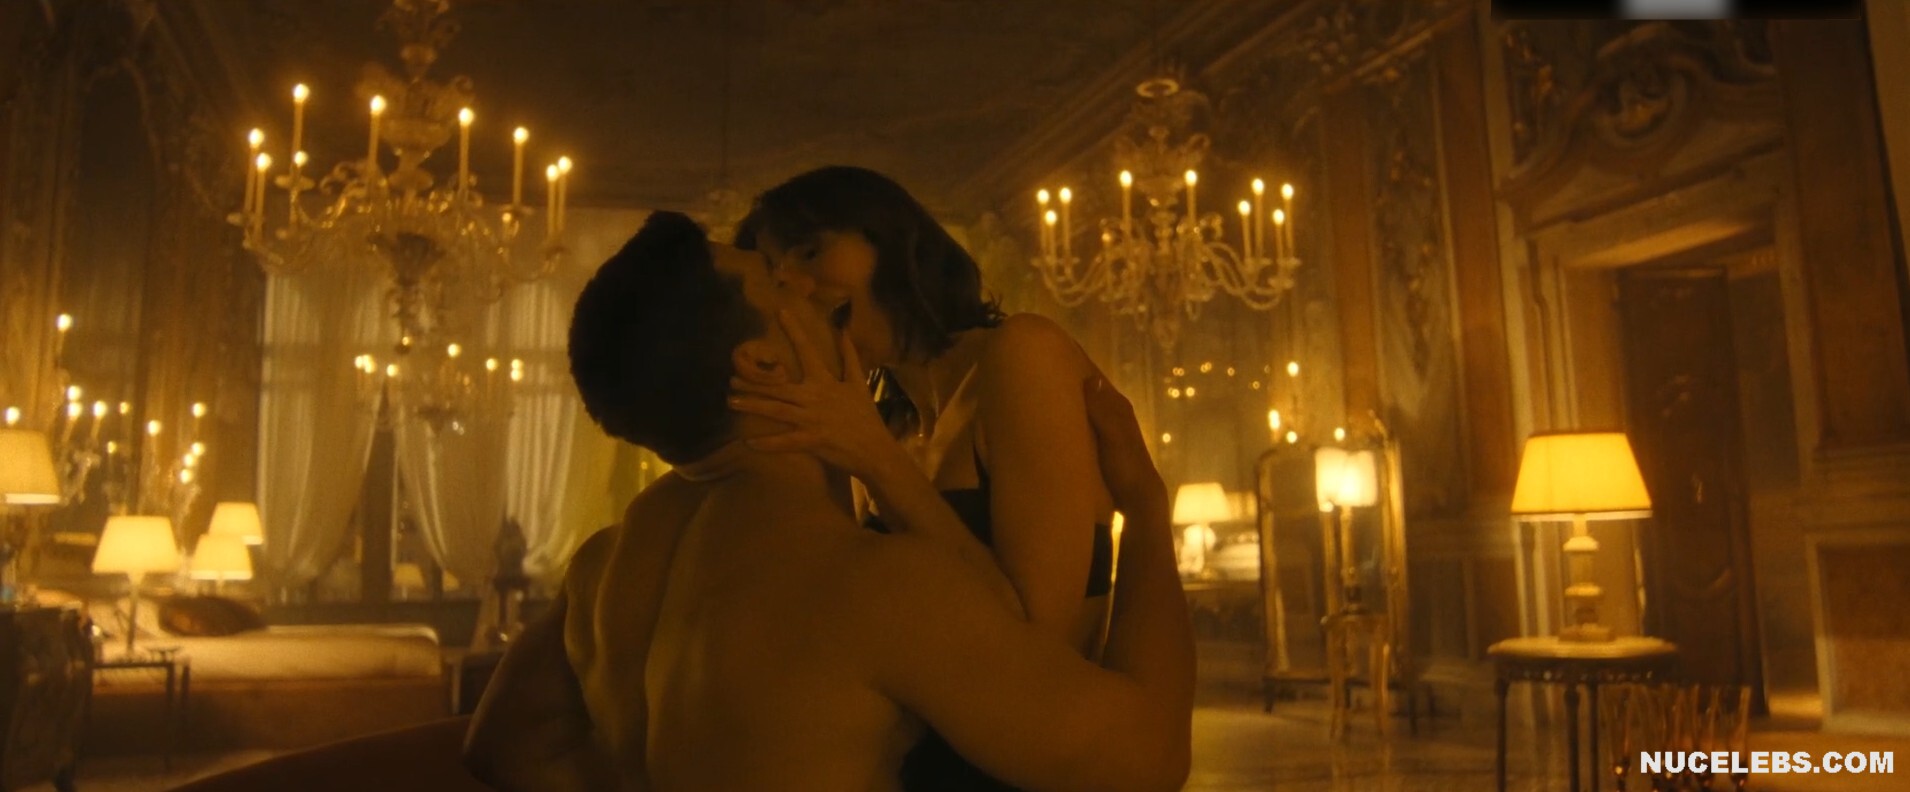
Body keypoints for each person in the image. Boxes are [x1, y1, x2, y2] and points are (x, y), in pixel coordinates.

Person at [467, 211, 1192, 791]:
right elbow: (1150, 760)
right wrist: (1147, 513)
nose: (804, 282)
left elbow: (501, 745)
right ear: (763, 363)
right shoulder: (871, 585)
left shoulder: (603, 567)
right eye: (775, 283)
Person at [729, 165, 1129, 789]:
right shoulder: (884, 419)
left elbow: (1035, 644)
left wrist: (874, 460)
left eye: (809, 251)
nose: (796, 285)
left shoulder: (1021, 354)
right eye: (777, 274)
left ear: (891, 239)